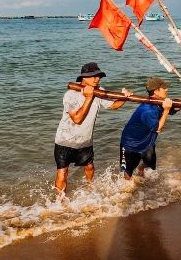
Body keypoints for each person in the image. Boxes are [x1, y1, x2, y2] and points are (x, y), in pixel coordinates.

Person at [54, 62, 131, 200]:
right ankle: (61, 201)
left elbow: (113, 105)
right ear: (84, 77)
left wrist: (124, 97)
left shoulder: (99, 91)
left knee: (89, 168)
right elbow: (77, 119)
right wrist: (89, 97)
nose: (97, 79)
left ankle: (89, 189)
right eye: (94, 76)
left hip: (85, 140)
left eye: (99, 76)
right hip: (65, 140)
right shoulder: (71, 94)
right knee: (63, 172)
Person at [119, 77, 181, 180]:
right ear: (156, 91)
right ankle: (128, 187)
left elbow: (172, 109)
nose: (167, 89)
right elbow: (158, 128)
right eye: (164, 88)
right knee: (128, 171)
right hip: (130, 143)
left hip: (147, 142)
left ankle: (140, 169)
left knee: (150, 163)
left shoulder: (158, 102)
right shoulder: (147, 110)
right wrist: (166, 110)